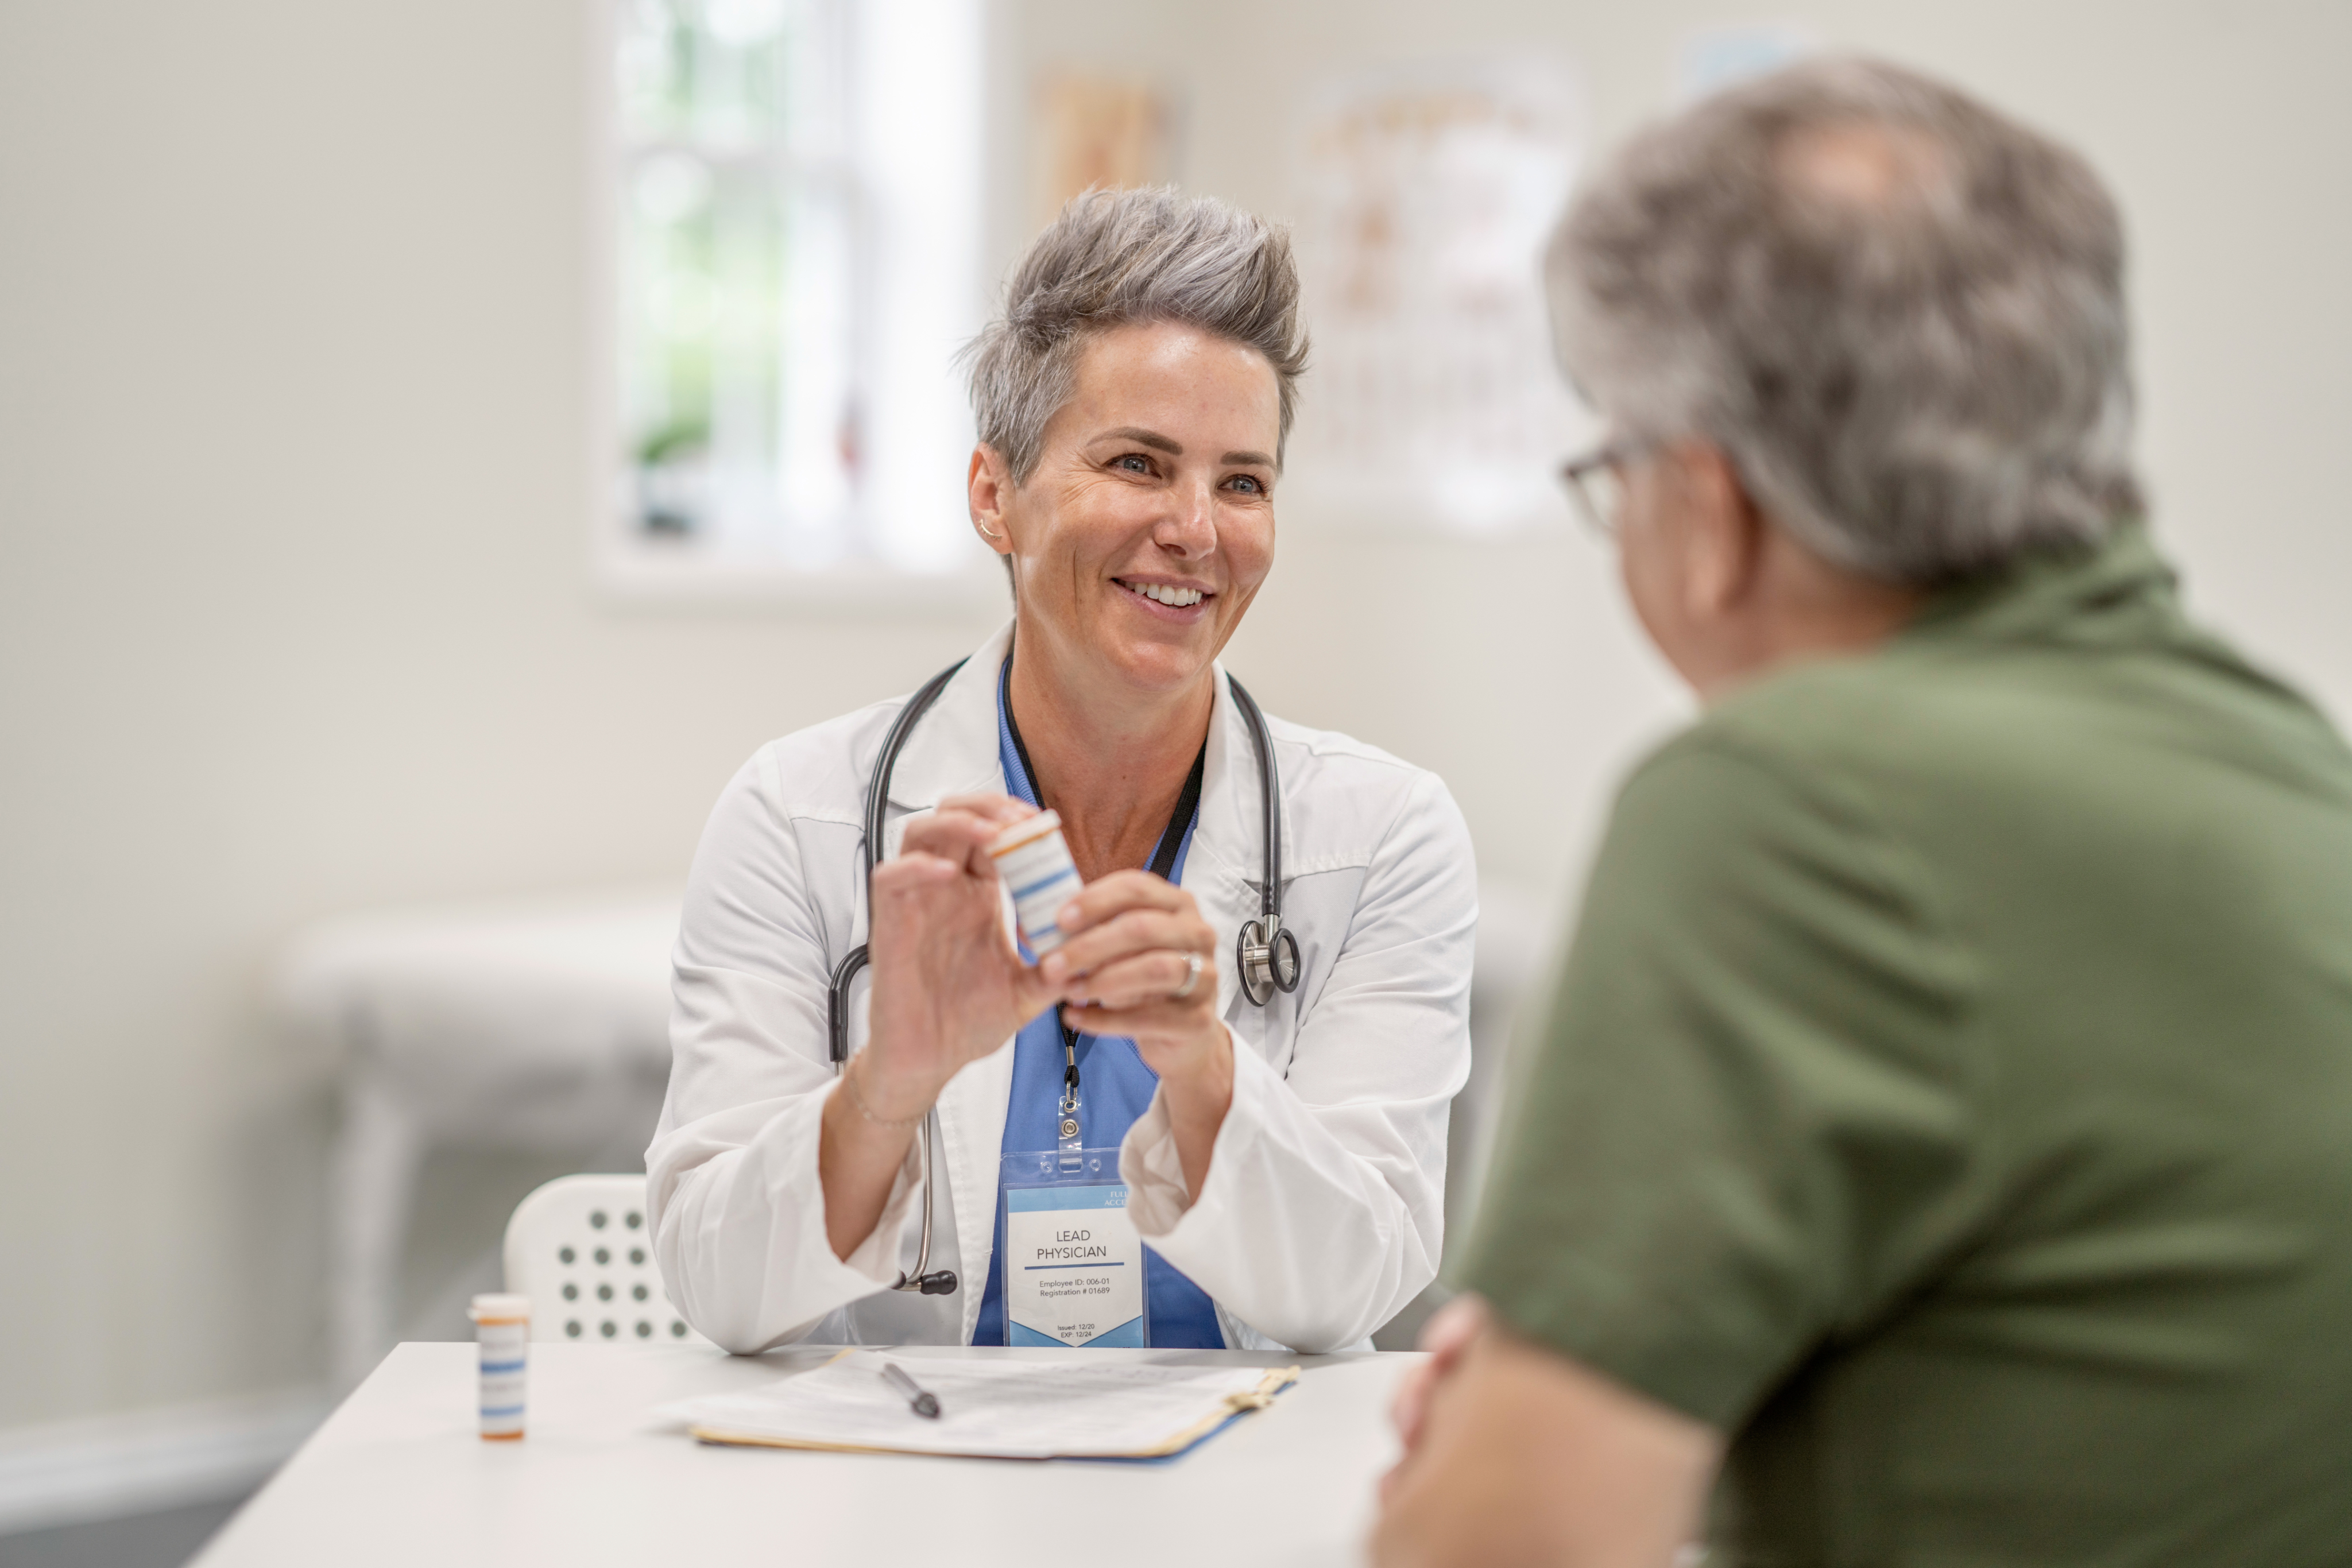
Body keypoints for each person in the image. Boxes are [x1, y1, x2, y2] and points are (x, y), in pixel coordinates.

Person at [1376, 57, 2352, 1567]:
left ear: (1706, 507)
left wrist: (1485, 1452)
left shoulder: (1780, 805)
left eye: (1611, 471)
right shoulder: (2287, 764)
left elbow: (1503, 1551)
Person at [645, 187, 1475, 1355]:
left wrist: (1201, 1061)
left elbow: (1349, 1292)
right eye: (1138, 463)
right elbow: (719, 1293)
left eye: (1241, 481)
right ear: (995, 495)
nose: (1196, 528)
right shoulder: (796, 816)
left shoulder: (1384, 834)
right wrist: (891, 1078)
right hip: (917, 1498)